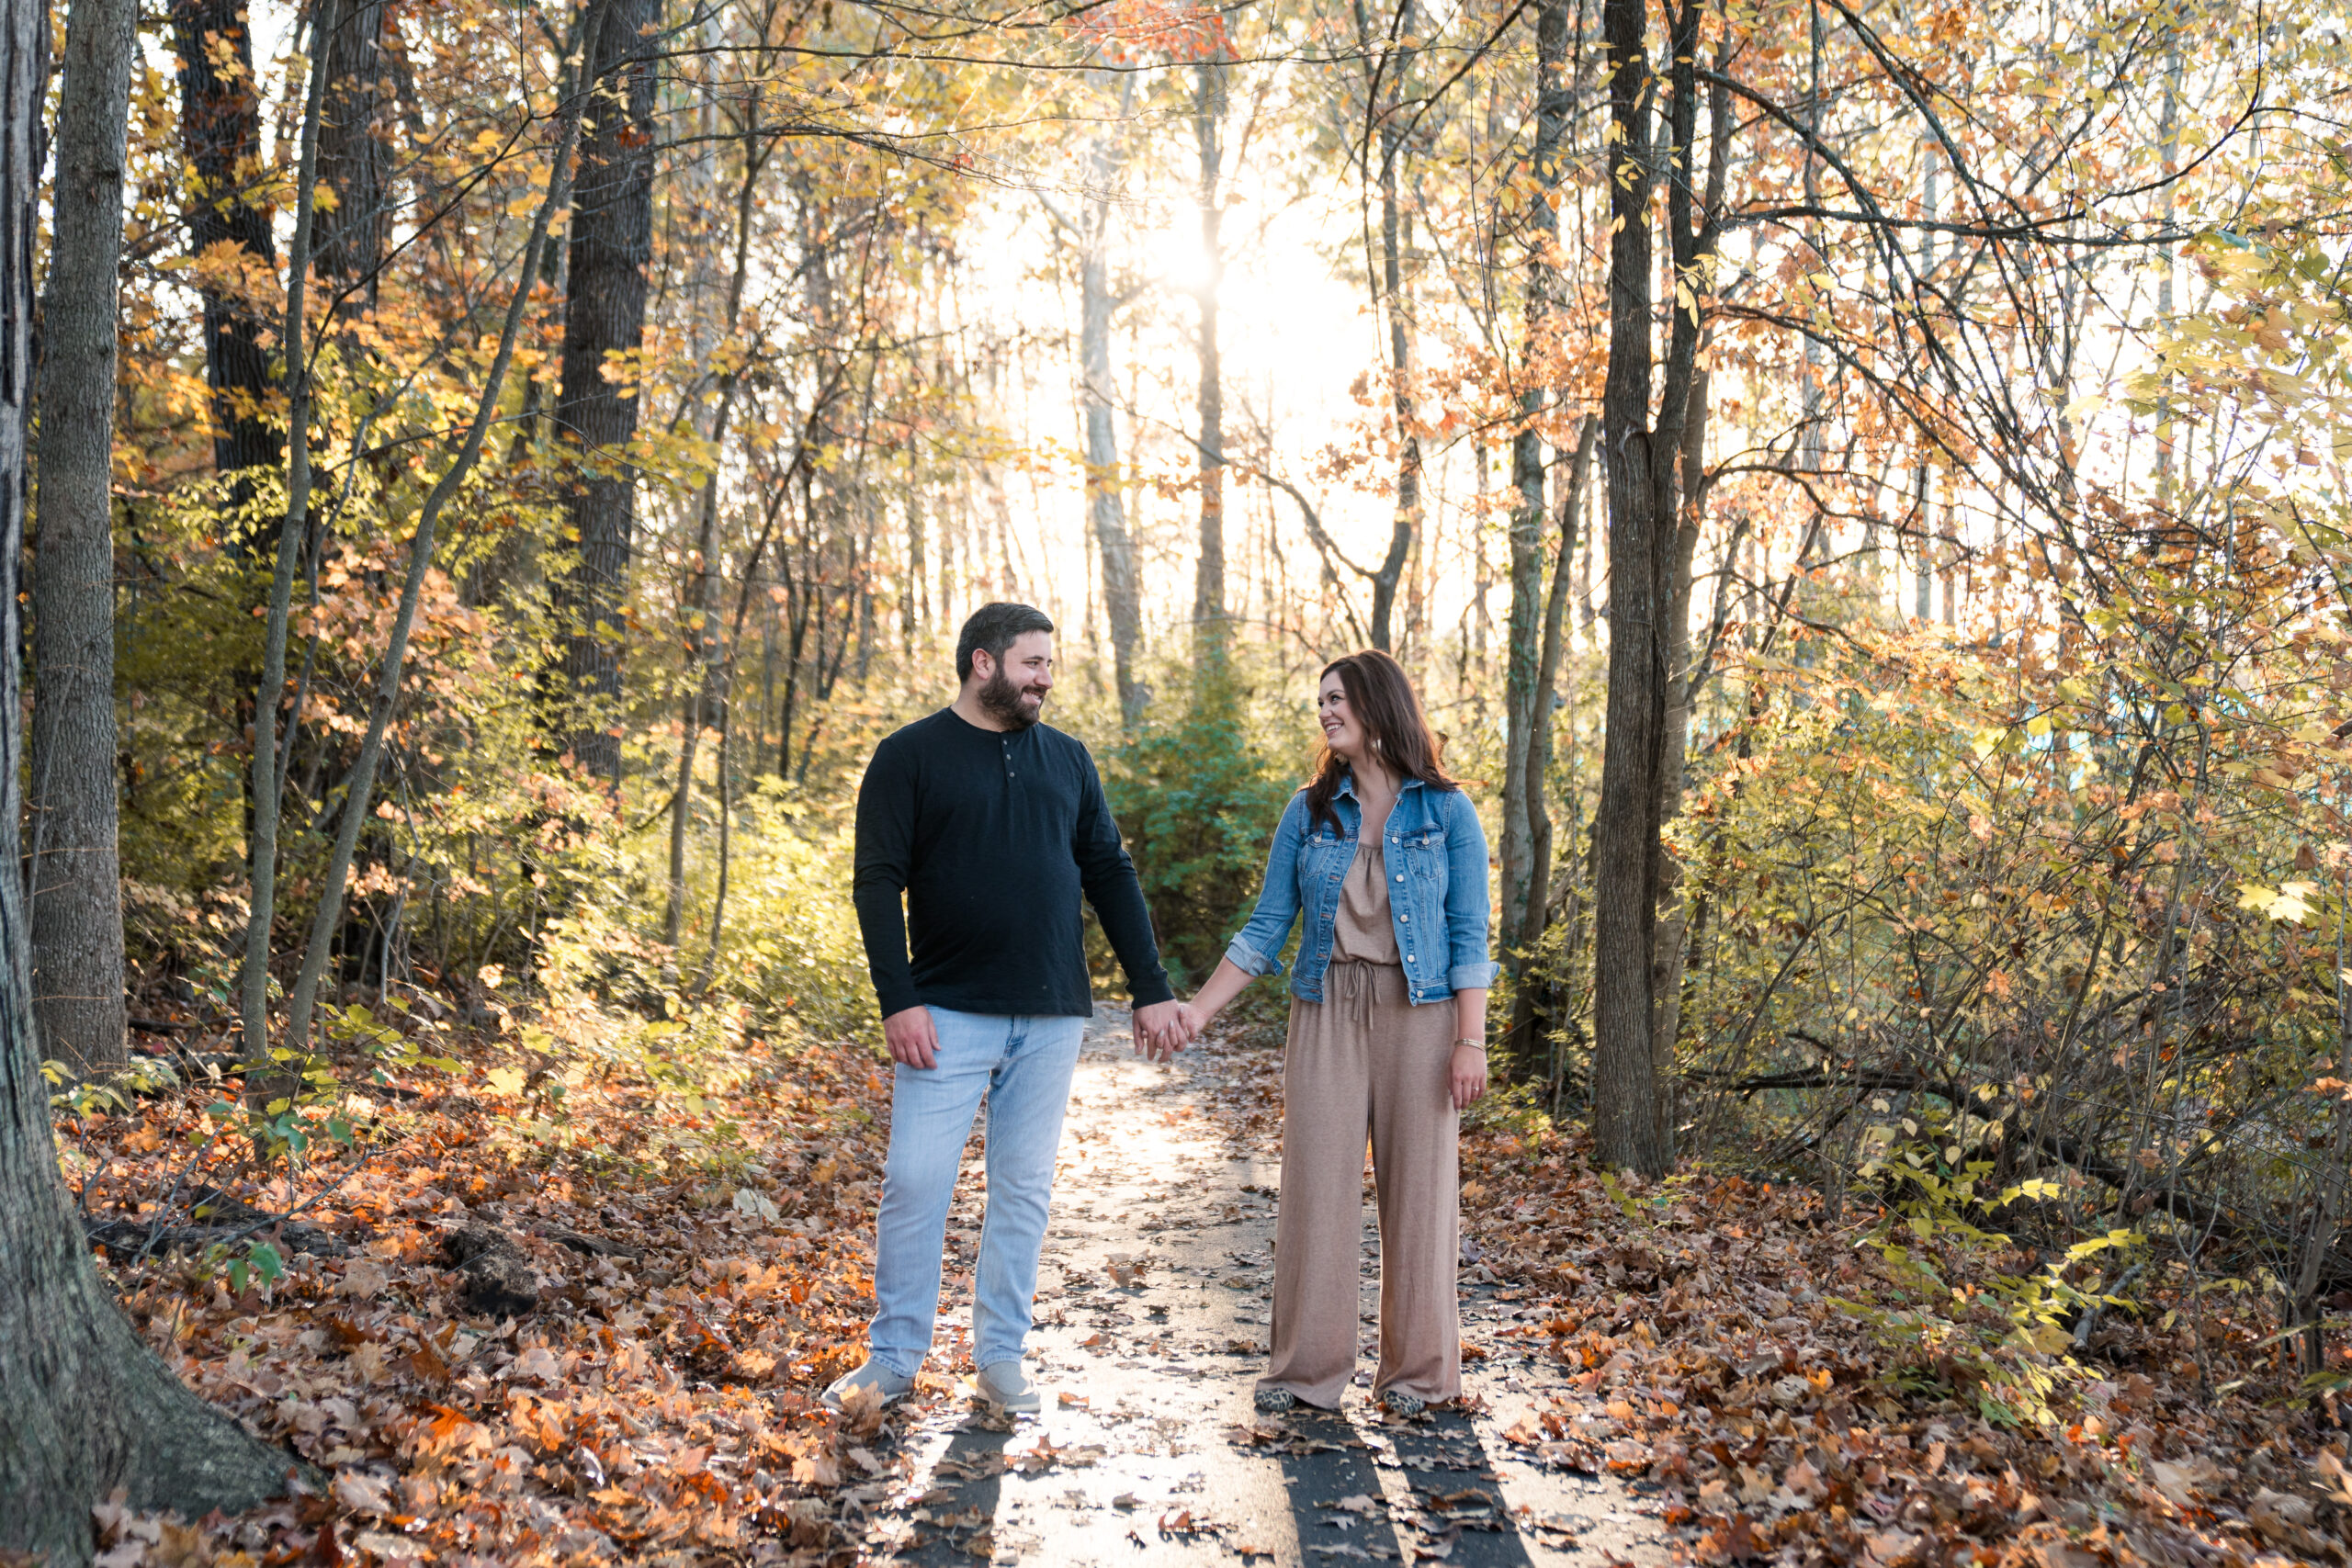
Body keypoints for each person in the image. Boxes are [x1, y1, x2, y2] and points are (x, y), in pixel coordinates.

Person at [829, 603, 1192, 1415]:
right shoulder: (909, 756)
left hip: (1054, 1011)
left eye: (1050, 665)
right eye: (1032, 663)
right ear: (983, 662)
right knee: (917, 1181)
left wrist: (1150, 984)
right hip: (946, 1011)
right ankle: (892, 1358)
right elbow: (876, 881)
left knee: (1022, 1188)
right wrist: (900, 998)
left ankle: (999, 1358)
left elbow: (1110, 872)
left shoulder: (1067, 758)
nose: (1045, 679)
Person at [1160, 649, 1493, 1416]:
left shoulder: (1447, 812)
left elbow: (1469, 932)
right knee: (1316, 1188)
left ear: (1378, 704)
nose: (1326, 712)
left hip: (1424, 1010)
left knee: (1421, 1193)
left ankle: (1419, 1376)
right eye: (1322, 701)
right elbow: (1268, 926)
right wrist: (1198, 1012)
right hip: (1325, 1009)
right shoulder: (1309, 810)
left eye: (1338, 698)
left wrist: (1469, 1041)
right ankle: (1304, 1373)